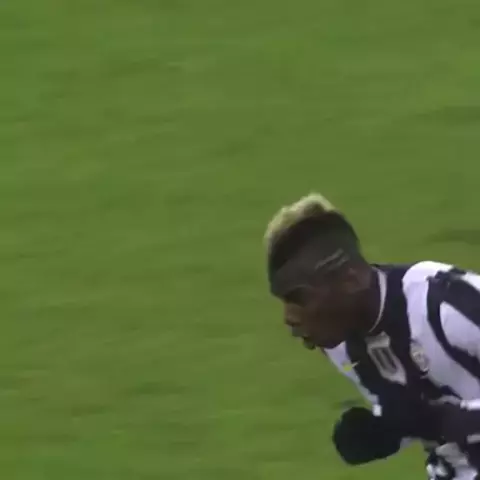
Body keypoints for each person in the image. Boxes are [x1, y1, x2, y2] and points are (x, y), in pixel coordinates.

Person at [264, 192, 480, 480]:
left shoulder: (445, 303)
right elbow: (417, 416)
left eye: (299, 298)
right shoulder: (341, 344)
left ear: (351, 280)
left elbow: (435, 419)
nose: (289, 318)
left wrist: (445, 420)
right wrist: (384, 433)